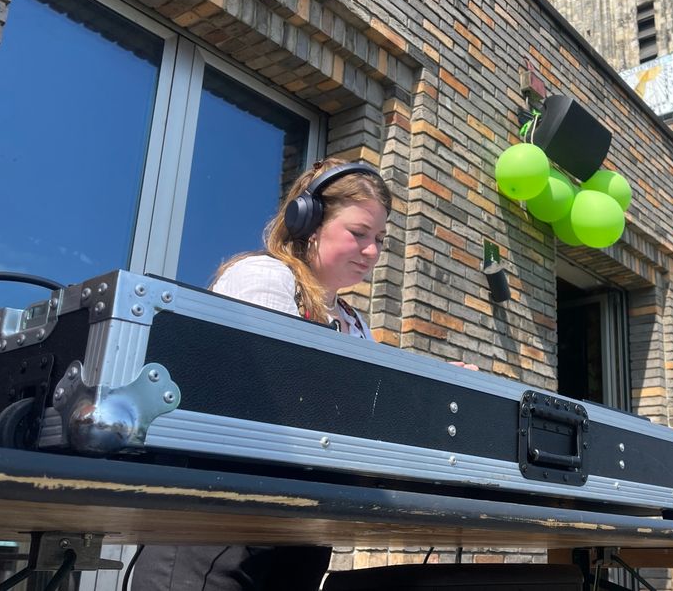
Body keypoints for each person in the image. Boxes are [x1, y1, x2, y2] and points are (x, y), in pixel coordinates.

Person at [131, 158, 448, 590]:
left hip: (300, 526)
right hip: (220, 526)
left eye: (379, 240)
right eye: (359, 234)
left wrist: (427, 392)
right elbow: (279, 394)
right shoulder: (264, 277)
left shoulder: (356, 324)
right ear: (308, 223)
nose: (372, 251)